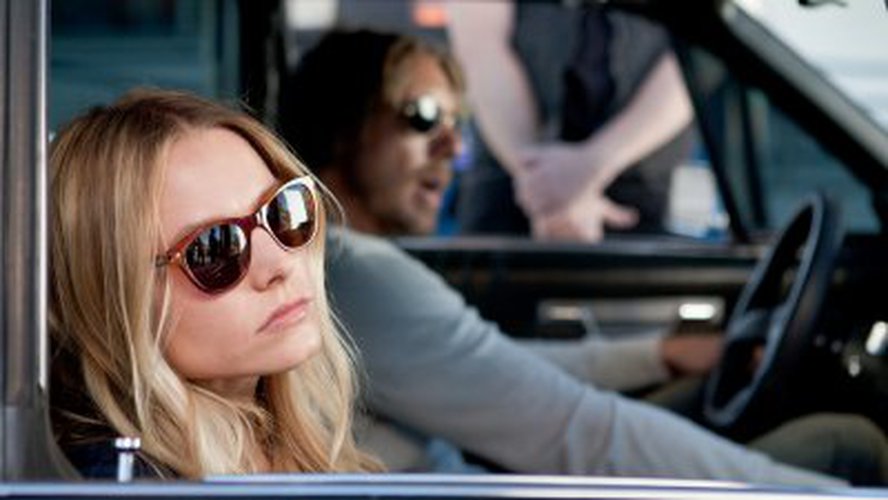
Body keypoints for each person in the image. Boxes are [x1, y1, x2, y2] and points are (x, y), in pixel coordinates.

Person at [279, 29, 888, 485]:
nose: (454, 145)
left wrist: (657, 354)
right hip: (488, 484)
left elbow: (497, 365)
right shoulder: (356, 272)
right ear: (343, 125)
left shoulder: (350, 268)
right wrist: (820, 495)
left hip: (479, 477)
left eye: (458, 123)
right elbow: (577, 431)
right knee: (849, 446)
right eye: (424, 116)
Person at [48, 89, 380, 479]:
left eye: (282, 211)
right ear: (110, 300)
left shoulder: (281, 449)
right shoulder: (118, 482)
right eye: (214, 248)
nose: (278, 264)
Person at [447, 2, 695, 241]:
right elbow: (481, 48)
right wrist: (543, 186)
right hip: (510, 174)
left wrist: (593, 163)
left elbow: (696, 56)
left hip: (637, 178)